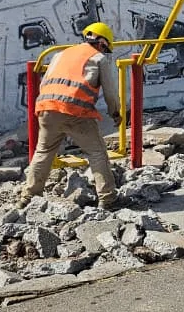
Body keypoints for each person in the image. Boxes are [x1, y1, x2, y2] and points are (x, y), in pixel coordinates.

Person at [21, 22, 123, 210]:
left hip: (47, 108)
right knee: (97, 152)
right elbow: (110, 92)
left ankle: (28, 197)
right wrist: (116, 113)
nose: (105, 51)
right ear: (101, 42)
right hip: (76, 112)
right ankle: (108, 199)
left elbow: (45, 83)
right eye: (105, 47)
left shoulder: (60, 55)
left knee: (43, 151)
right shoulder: (99, 58)